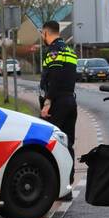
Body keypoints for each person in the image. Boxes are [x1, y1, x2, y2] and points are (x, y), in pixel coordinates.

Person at [39, 20, 79, 157]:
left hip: (57, 104)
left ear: (45, 33)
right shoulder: (70, 51)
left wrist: (47, 102)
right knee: (68, 143)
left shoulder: (53, 51)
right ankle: (70, 176)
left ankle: (55, 177)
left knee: (50, 142)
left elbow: (55, 77)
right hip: (70, 101)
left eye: (42, 34)